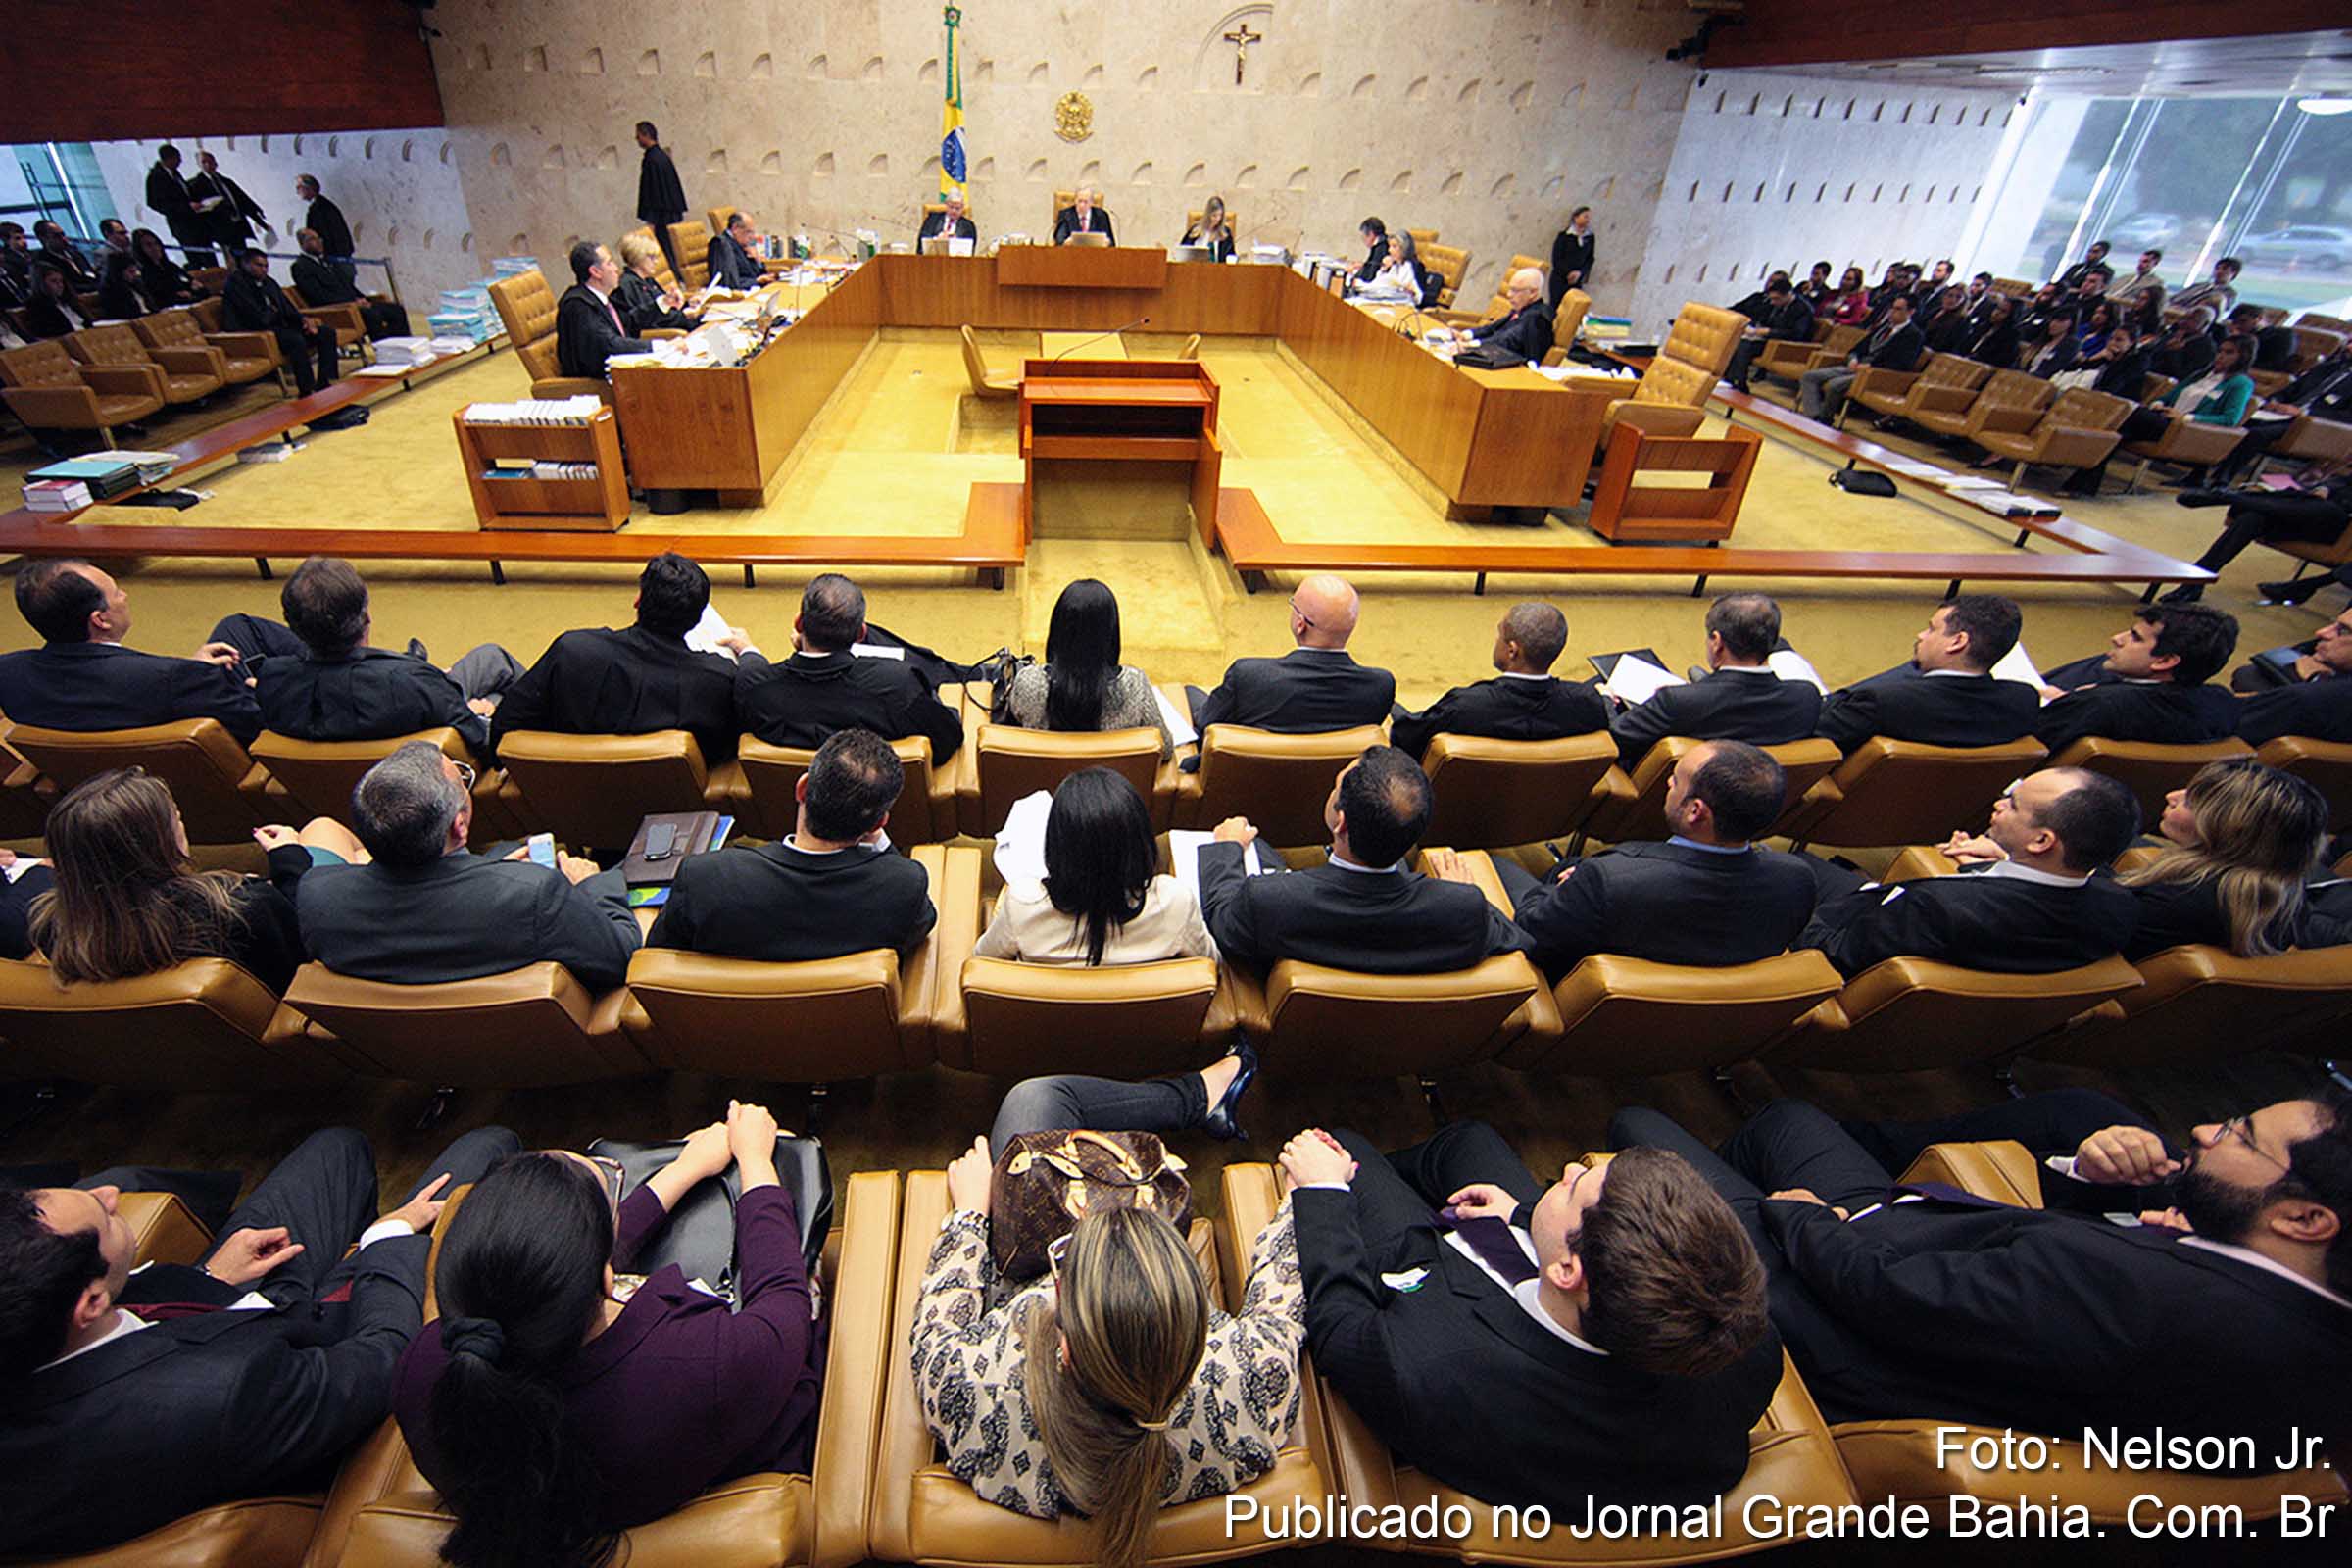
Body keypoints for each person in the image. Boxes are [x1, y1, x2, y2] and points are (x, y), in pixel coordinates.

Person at [1616, 1091, 2352, 1455]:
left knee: (1640, 1134)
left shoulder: (2143, 1293)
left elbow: (1888, 1301)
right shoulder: (2310, 1334)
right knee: (1787, 1122)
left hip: (1831, 1308)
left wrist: (1800, 1217)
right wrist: (2094, 1181)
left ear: (2306, 1220)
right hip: (1911, 1246)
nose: (2203, 1131)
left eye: (2239, 1137)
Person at [0, 1123, 514, 1556]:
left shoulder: (32, 1327)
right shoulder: (219, 1397)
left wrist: (213, 1281)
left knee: (338, 1148)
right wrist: (390, 1238)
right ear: (89, 1305)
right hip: (321, 1354)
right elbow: (383, 1355)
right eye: (105, 1216)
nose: (111, 1194)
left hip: (223, 1304)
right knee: (487, 1146)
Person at [1281, 1119, 1779, 1516]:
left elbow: (1341, 1326)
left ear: (1566, 1269)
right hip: (1536, 1275)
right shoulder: (1740, 1341)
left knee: (1346, 1148)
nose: (1565, 1170)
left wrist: (1324, 1191)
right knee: (1468, 1141)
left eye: (1575, 1190)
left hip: (1424, 1276)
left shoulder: (1435, 1363)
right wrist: (1522, 1218)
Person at [395, 1101, 815, 1563]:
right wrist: (755, 1162)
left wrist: (685, 1169)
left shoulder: (426, 1371)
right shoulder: (701, 1365)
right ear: (606, 1278)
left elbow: (564, 1264)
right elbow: (783, 1303)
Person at [912, 1115, 1302, 1565]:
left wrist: (969, 1214)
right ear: (1200, 1331)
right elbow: (1281, 1307)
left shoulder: (979, 1389)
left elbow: (936, 1327)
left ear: (1065, 1348)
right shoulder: (1249, 1382)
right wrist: (1303, 1198)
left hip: (1011, 1282)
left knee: (1033, 1104)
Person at [296, 742, 641, 990]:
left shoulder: (316, 895)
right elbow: (620, 956)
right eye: (463, 782)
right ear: (459, 826)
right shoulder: (536, 895)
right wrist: (589, 884)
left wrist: (492, 872)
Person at [1480, 740, 1821, 976]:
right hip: (1701, 1021)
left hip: (1586, 1006)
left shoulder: (1607, 880)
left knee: (1494, 866)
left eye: (1677, 781)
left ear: (1695, 812)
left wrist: (1559, 884)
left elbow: (1532, 933)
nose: (1668, 782)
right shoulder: (1797, 880)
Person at [1199, 745, 1530, 972]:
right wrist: (1463, 894)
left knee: (1258, 849)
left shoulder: (1269, 899)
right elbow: (1514, 938)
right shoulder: (1462, 909)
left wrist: (1226, 849)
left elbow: (1222, 920)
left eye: (1335, 785)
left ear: (1340, 822)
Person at [1798, 767, 2143, 976]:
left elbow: (1835, 953)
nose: (1998, 804)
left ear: (2041, 840)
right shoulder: (2120, 908)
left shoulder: (1937, 908)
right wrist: (2004, 858)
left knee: (1790, 869)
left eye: (2013, 804)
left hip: (1842, 929)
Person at [22, 768, 332, 995]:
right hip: (288, 1014)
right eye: (176, 818)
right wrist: (289, 860)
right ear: (159, 843)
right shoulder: (238, 908)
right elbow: (306, 947)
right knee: (325, 829)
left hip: (185, 1050)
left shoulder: (52, 927)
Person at [648, 728, 934, 961]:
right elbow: (920, 923)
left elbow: (658, 957)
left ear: (801, 788)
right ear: (879, 823)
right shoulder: (903, 887)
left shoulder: (704, 878)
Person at [494, 551, 761, 765]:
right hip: (672, 805)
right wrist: (749, 654)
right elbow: (726, 750)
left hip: (571, 801)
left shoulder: (573, 651)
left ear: (638, 600)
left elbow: (505, 726)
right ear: (696, 619)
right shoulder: (717, 678)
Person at [243, 556, 518, 759]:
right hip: (426, 774)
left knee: (490, 658)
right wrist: (477, 716)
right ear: (367, 617)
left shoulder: (271, 680)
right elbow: (484, 745)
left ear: (292, 626)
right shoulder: (410, 683)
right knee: (497, 685)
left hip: (340, 781)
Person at [0, 560, 263, 744]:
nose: (124, 595)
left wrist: (189, 669)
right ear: (100, 620)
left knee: (239, 627)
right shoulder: (173, 679)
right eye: (116, 592)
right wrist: (265, 687)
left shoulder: (9, 674)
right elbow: (258, 723)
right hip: (186, 782)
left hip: (104, 785)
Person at [976, 768, 1215, 966]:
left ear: (1057, 846)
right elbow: (1210, 963)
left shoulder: (1023, 904)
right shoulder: (1176, 902)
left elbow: (984, 961)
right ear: (1140, 839)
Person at [2114, 758, 2345, 959]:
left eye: (2191, 802)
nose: (2172, 796)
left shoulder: (2173, 899)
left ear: (2228, 830)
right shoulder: (2287, 900)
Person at [733, 571, 961, 760]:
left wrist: (748, 651)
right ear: (861, 634)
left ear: (799, 623)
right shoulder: (897, 684)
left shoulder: (754, 687)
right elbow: (948, 739)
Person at [1608, 593, 1822, 765]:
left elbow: (1615, 740)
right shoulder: (1807, 698)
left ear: (1717, 642)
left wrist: (1607, 701)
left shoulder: (1677, 701)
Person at [1186, 573, 1396, 744]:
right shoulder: (1379, 687)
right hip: (1331, 787)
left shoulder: (1248, 676)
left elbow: (1206, 723)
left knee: (1189, 694)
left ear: (1300, 624)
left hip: (1251, 783)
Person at [1814, 596, 2039, 754]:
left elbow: (1810, 739)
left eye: (1932, 629)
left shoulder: (1881, 701)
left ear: (1957, 641)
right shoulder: (2023, 702)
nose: (1921, 635)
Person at [1389, 600, 1608, 760]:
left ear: (1512, 650)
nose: (1496, 640)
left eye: (1499, 633)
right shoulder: (1587, 705)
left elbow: (1406, 738)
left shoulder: (1465, 706)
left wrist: (1391, 708)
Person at [2031, 604, 2241, 757]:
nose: (2117, 638)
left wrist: (2071, 703)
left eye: (2135, 637)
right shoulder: (2223, 704)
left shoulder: (2099, 705)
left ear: (2165, 660)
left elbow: (2027, 752)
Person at [997, 578, 1173, 758]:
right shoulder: (1135, 686)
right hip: (1110, 784)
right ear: (1111, 632)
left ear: (1057, 628)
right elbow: (1164, 750)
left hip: (1041, 784)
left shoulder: (1028, 682)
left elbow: (1010, 741)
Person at [2161, 462, 2351, 600]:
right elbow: (2342, 481)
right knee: (2253, 518)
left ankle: (2230, 497)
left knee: (2329, 509)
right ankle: (2196, 581)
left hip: (2340, 528)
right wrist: (2323, 487)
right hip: (2305, 514)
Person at [2205, 344, 2352, 488]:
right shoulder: (2327, 368)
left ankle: (2221, 480)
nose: (2348, 347)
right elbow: (2289, 390)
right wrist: (2275, 401)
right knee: (2235, 419)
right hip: (2280, 414)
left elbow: (2346, 416)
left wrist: (2303, 413)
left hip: (2311, 426)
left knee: (2258, 434)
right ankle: (2200, 470)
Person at [223, 247, 340, 396]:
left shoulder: (269, 282)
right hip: (257, 331)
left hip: (279, 325)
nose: (264, 270)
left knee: (326, 333)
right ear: (245, 264)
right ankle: (307, 389)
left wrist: (303, 320)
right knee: (295, 340)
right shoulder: (236, 285)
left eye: (266, 266)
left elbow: (287, 307)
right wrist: (275, 313)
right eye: (258, 265)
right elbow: (255, 316)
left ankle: (325, 381)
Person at [1796, 294, 1921, 421]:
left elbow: (1902, 364)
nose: (1892, 312)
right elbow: (1858, 348)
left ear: (1911, 311)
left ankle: (1825, 419)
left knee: (1835, 385)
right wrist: (1853, 359)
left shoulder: (1913, 335)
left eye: (1898, 309)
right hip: (1855, 366)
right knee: (1809, 377)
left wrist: (1870, 367)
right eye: (1892, 308)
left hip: (1874, 374)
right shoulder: (1883, 328)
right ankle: (1813, 415)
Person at [2237, 609, 2352, 746]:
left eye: (2344, 631)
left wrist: (2315, 681)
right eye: (2334, 624)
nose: (2322, 632)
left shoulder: (2306, 699)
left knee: (2249, 675)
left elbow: (2223, 727)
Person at [554, 240, 652, 381]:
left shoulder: (602, 299)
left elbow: (630, 321)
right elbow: (608, 344)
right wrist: (659, 346)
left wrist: (663, 304)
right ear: (595, 272)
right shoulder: (577, 305)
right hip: (596, 385)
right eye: (610, 263)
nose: (617, 268)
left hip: (623, 374)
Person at [290, 227, 405, 339]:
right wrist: (352, 303)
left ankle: (402, 347)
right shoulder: (300, 267)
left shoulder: (327, 262)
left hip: (355, 303)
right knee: (372, 315)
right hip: (339, 309)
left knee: (396, 310)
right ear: (302, 244)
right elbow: (318, 296)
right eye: (313, 239)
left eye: (319, 238)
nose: (319, 242)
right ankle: (385, 352)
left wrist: (362, 299)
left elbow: (347, 285)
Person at [1724, 277, 1815, 388]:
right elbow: (1765, 321)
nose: (1772, 302)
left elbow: (1796, 334)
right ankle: (1729, 379)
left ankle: (1739, 383)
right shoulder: (1777, 305)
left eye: (1776, 299)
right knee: (1737, 340)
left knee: (1745, 346)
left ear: (1788, 295)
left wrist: (1769, 332)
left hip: (1787, 345)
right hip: (1768, 339)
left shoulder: (1803, 309)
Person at [1448, 267, 1551, 363]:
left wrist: (1471, 346)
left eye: (1515, 291)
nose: (1509, 295)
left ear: (1533, 293)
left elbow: (1507, 340)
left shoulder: (1538, 317)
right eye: (1510, 289)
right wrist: (1467, 335)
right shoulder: (1522, 308)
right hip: (1493, 355)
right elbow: (1493, 328)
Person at [612, 231, 696, 333]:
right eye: (651, 257)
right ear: (638, 257)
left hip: (678, 323)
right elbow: (650, 320)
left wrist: (687, 304)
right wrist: (684, 315)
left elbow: (666, 305)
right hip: (667, 334)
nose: (656, 262)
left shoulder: (648, 280)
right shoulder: (628, 285)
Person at [144, 143, 214, 265]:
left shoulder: (175, 173)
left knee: (209, 257)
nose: (180, 161)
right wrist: (185, 207)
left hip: (197, 222)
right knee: (196, 259)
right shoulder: (156, 177)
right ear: (168, 159)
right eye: (178, 158)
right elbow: (156, 203)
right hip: (183, 225)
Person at [188, 153, 266, 259]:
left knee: (242, 258)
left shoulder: (226, 182)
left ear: (215, 163)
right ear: (198, 164)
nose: (207, 164)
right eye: (203, 162)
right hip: (220, 230)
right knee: (231, 259)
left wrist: (260, 221)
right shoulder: (194, 185)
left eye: (210, 161)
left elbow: (243, 201)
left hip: (237, 226)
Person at [634, 121, 689, 270]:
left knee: (667, 253)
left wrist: (650, 218)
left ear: (646, 136)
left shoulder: (652, 160)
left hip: (661, 217)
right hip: (669, 214)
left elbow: (651, 192)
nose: (637, 139)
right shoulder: (662, 157)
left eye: (638, 136)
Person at [129, 227, 198, 308]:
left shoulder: (171, 266)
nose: (155, 248)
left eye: (156, 243)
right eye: (149, 245)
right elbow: (159, 299)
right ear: (140, 249)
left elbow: (196, 285)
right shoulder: (143, 274)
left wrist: (191, 291)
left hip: (193, 303)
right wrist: (180, 295)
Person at [21, 262, 92, 339]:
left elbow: (87, 323)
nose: (60, 285)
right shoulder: (36, 305)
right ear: (41, 283)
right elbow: (49, 334)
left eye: (61, 281)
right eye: (53, 281)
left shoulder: (68, 300)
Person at [707, 211, 775, 290]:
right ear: (735, 229)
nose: (752, 237)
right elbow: (729, 283)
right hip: (737, 297)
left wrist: (757, 260)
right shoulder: (721, 244)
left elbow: (756, 274)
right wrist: (756, 281)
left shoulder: (741, 243)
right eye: (748, 232)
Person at [2148, 306, 2219, 382]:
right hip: (2149, 373)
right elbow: (2152, 354)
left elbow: (2184, 375)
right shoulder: (2176, 333)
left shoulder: (2207, 348)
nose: (2184, 322)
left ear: (2205, 324)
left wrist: (2174, 352)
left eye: (2192, 319)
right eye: (2184, 317)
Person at [290, 174, 353, 260]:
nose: (297, 192)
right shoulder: (319, 206)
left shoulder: (321, 208)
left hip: (335, 257)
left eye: (299, 187)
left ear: (308, 188)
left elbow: (327, 234)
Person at [31, 220, 98, 292]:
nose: (64, 239)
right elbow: (65, 286)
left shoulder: (75, 253)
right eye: (56, 236)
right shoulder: (43, 261)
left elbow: (91, 274)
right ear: (43, 239)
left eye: (63, 234)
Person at [1548, 206, 1595, 307]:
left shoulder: (1589, 237)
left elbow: (1590, 259)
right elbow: (1556, 259)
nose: (1588, 220)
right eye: (1585, 216)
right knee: (1555, 308)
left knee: (1572, 310)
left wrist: (1580, 273)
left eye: (1588, 217)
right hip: (1560, 279)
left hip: (1576, 281)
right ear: (1576, 217)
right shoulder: (1564, 236)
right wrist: (1568, 273)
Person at [2173, 257, 2243, 318]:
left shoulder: (2228, 293)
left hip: (2188, 314)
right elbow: (2176, 297)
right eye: (2217, 268)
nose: (2219, 271)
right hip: (2172, 307)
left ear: (2234, 273)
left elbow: (2216, 309)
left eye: (2224, 269)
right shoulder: (2199, 285)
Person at [2020, 309, 2080, 378]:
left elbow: (2052, 370)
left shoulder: (2071, 344)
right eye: (2053, 320)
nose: (2053, 324)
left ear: (2071, 324)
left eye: (2060, 321)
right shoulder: (2043, 338)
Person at [2108, 247, 2168, 315]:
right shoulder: (2125, 277)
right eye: (2140, 261)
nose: (2140, 264)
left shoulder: (2156, 283)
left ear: (2155, 263)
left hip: (2126, 312)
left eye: (2145, 261)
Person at [95, 249, 148, 321]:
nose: (136, 275)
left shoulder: (136, 285)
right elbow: (127, 315)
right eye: (131, 272)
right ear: (118, 272)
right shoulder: (111, 291)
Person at [1052, 187, 1116, 246]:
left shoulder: (1101, 216)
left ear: (1091, 202)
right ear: (1075, 201)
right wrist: (1066, 242)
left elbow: (1111, 243)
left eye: (1085, 202)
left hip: (1096, 254)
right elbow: (1059, 239)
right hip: (1072, 254)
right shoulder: (1066, 215)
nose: (1082, 205)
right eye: (1080, 201)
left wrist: (1107, 242)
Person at [1178, 194, 1232, 262]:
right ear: (1208, 215)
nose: (1218, 219)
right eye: (1214, 215)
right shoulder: (1195, 231)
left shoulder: (1226, 233)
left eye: (1220, 215)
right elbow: (1182, 254)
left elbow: (1231, 257)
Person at [1352, 216, 1390, 281]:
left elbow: (1370, 275)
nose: (1364, 241)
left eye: (1363, 238)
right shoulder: (1383, 243)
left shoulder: (1381, 248)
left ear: (1371, 235)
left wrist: (1354, 272)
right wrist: (1364, 265)